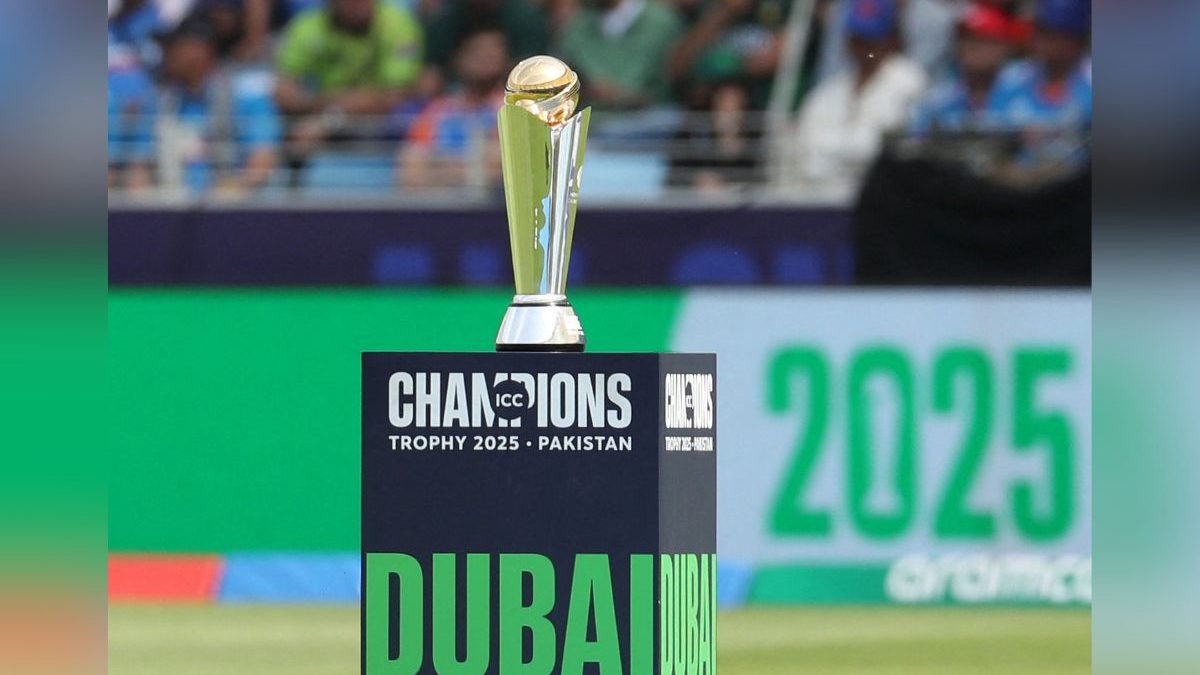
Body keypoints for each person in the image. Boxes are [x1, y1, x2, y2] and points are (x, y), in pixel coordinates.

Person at [784, 0, 927, 200]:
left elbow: (872, 152)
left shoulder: (909, 82)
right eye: (858, 38)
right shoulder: (825, 94)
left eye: (872, 38)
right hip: (820, 207)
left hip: (880, 206)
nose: (864, 47)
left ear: (890, 39)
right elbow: (802, 156)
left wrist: (830, 155)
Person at [274, 0, 423, 169]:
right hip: (318, 119)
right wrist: (326, 110)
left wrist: (327, 115)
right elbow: (283, 89)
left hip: (379, 125)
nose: (354, 5)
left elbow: (393, 96)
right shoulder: (307, 25)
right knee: (291, 137)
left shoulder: (397, 23)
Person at [158, 17, 282, 194]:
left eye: (174, 47)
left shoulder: (245, 97)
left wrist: (227, 192)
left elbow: (262, 162)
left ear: (200, 51)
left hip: (234, 209)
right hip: (170, 207)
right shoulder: (167, 101)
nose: (166, 54)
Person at [400, 28, 510, 190]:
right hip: (441, 203)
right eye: (477, 53)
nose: (485, 60)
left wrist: (443, 167)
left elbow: (504, 167)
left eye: (492, 54)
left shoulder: (511, 110)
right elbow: (411, 166)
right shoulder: (439, 109)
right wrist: (468, 170)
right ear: (461, 59)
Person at [558, 0, 686, 110]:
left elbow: (670, 82)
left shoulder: (663, 22)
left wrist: (622, 95)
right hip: (594, 121)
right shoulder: (578, 25)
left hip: (654, 123)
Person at [911, 1, 1017, 132]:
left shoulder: (1024, 88)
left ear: (1003, 47)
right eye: (966, 39)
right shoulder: (938, 101)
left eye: (983, 40)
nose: (973, 47)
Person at [669, 0, 791, 110]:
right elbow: (678, 67)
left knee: (730, 96)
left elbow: (780, 54)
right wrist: (726, 12)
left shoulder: (784, 6)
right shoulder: (704, 8)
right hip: (699, 106)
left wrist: (721, 65)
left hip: (769, 100)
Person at [987, 0, 1090, 129]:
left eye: (1050, 32)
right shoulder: (1011, 77)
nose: (1039, 39)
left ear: (1076, 40)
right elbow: (994, 130)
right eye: (1038, 29)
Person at [420, 0, 548, 94]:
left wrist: (495, 68)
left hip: (513, 95)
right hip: (455, 96)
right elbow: (430, 76)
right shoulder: (445, 19)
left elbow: (537, 72)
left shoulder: (524, 17)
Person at [108, 39, 159, 191]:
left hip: (143, 100)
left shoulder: (146, 25)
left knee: (139, 160)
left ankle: (139, 212)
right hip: (108, 103)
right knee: (108, 160)